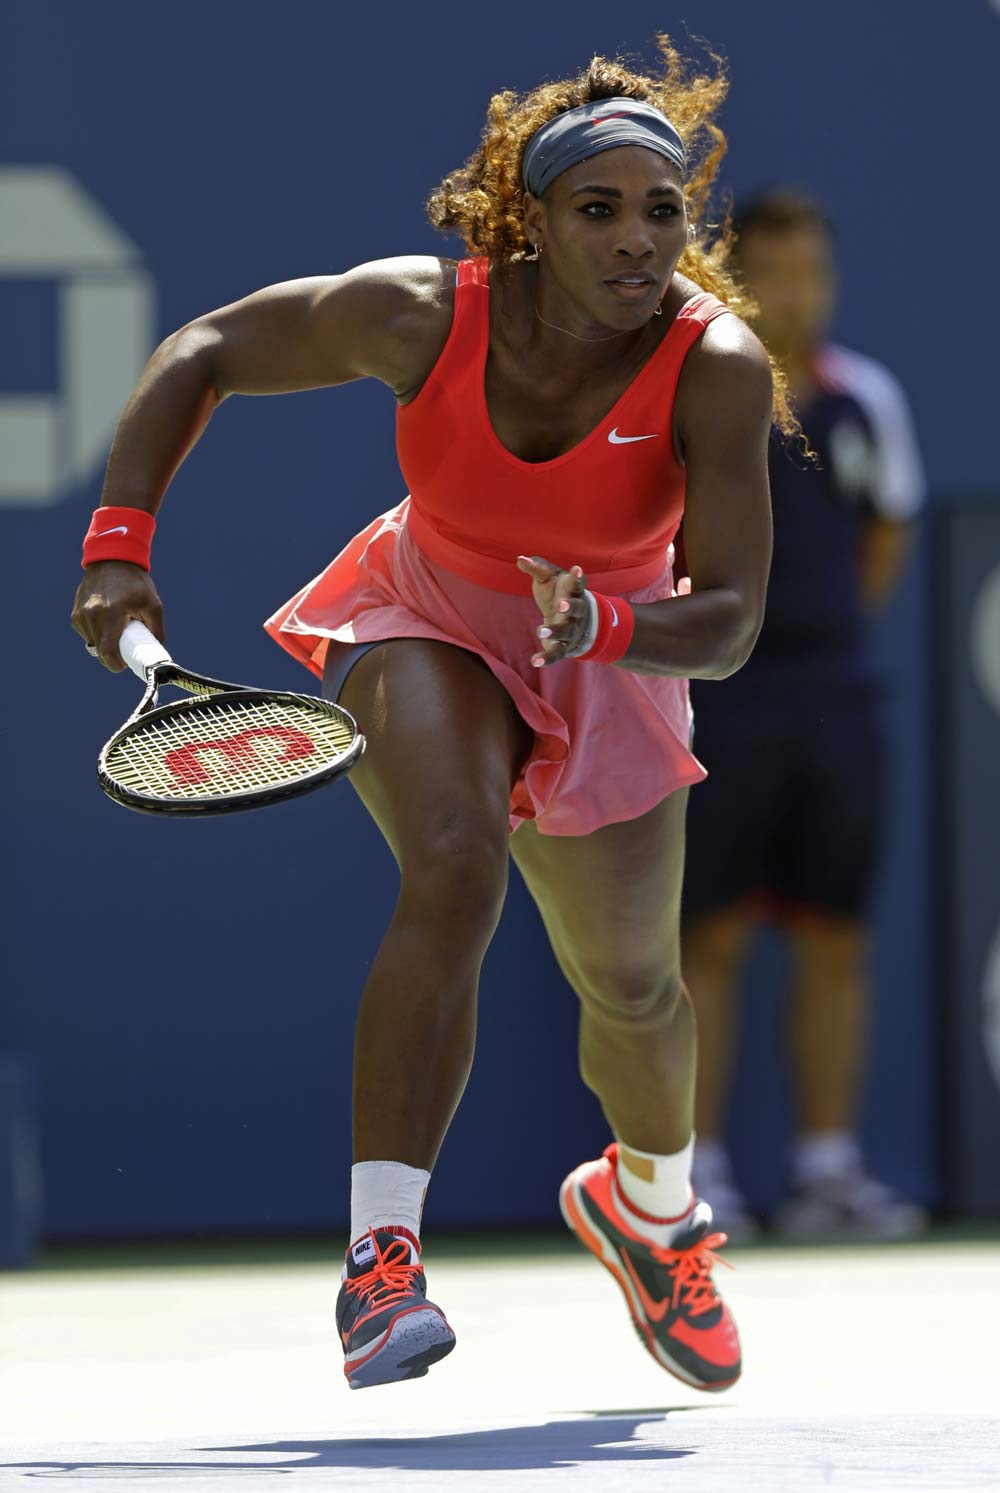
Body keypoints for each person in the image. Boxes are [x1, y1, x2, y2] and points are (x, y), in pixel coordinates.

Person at [71, 39, 787, 1392]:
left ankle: (652, 1210)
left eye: (664, 212)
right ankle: (381, 1260)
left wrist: (611, 627)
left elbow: (735, 618)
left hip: (617, 648)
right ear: (530, 220)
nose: (640, 242)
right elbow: (207, 348)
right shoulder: (415, 314)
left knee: (633, 989)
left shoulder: (718, 365)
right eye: (599, 210)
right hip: (429, 609)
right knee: (454, 867)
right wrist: (119, 542)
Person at [682, 190, 927, 1241]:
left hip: (834, 700)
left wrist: (819, 636)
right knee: (707, 937)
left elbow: (885, 532)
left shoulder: (864, 396)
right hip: (715, 700)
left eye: (816, 271)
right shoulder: (693, 390)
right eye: (778, 270)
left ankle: (828, 1171)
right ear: (737, 278)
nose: (801, 292)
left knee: (837, 936)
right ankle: (693, 1176)